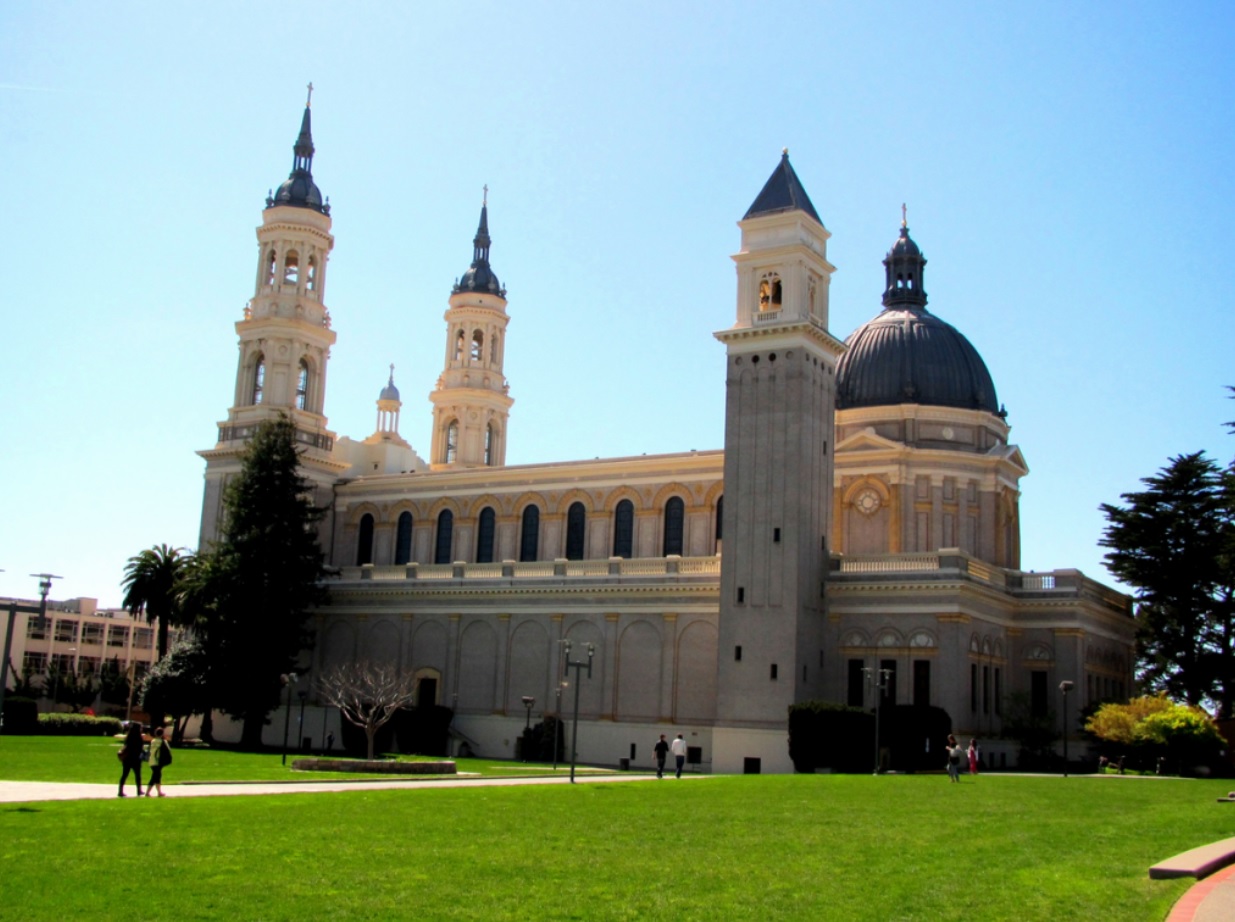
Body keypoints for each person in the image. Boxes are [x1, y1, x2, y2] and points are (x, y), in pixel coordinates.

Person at [117, 722, 146, 797]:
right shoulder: (139, 738)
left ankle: (120, 791)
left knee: (124, 775)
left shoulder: (128, 737)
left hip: (127, 759)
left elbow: (126, 746)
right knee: (138, 775)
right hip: (136, 759)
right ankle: (139, 790)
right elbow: (140, 748)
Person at [146, 726, 170, 797]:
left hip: (151, 760)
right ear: (162, 734)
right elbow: (168, 750)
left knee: (157, 776)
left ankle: (159, 792)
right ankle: (148, 792)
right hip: (158, 761)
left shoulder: (153, 741)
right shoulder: (163, 742)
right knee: (155, 777)